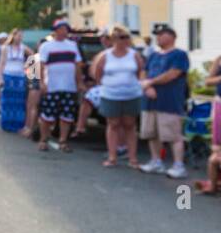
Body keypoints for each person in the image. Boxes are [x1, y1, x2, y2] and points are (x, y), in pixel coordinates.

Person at [138, 25, 191, 179]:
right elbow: (143, 72)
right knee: (151, 133)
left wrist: (150, 83)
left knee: (173, 134)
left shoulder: (179, 55)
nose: (158, 37)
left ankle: (178, 165)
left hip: (170, 101)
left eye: (162, 34)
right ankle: (156, 161)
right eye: (157, 35)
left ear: (172, 37)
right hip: (150, 100)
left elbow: (173, 74)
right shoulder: (153, 55)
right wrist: (146, 86)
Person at [92, 24, 145, 168]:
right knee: (113, 124)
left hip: (131, 94)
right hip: (111, 95)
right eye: (122, 37)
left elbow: (141, 71)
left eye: (127, 37)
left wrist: (140, 84)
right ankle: (112, 156)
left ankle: (132, 158)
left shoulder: (134, 54)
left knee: (130, 125)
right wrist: (105, 86)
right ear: (114, 39)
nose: (125, 40)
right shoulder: (106, 55)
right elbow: (97, 73)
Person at [36, 20, 83, 152]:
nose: (64, 31)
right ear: (55, 30)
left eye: (66, 29)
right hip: (52, 85)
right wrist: (41, 82)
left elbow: (78, 65)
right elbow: (41, 65)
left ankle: (63, 140)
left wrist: (79, 82)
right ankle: (43, 139)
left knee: (66, 116)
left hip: (69, 86)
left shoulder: (73, 45)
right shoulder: (46, 46)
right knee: (47, 115)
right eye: (61, 29)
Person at [0, 29, 31, 133]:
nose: (20, 38)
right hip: (8, 76)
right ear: (13, 36)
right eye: (18, 35)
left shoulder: (23, 48)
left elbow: (33, 56)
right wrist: (0, 78)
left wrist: (29, 71)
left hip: (20, 77)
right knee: (8, 101)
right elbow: (1, 63)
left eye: (21, 36)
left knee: (19, 102)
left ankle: (18, 125)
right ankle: (7, 124)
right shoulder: (5, 48)